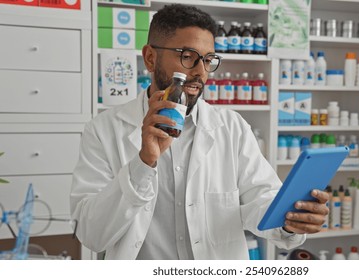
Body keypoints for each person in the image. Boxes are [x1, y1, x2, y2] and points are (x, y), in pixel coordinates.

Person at [70, 4, 329, 260]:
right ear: (150, 57)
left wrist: (291, 219)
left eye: (207, 60)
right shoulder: (103, 130)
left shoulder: (232, 128)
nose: (200, 72)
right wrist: (143, 163)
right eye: (187, 56)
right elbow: (92, 235)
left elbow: (261, 200)